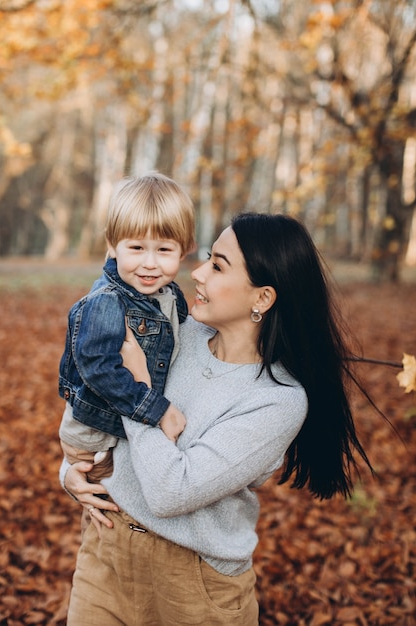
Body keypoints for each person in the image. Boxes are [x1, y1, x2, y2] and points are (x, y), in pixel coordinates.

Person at [61, 212, 373, 626]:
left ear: (262, 298)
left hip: (194, 588)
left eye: (218, 266)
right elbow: (93, 397)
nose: (198, 273)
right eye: (208, 258)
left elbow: (171, 493)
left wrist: (137, 391)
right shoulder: (175, 333)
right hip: (106, 553)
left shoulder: (277, 400)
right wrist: (73, 468)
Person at [59, 171, 196, 486]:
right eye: (136, 248)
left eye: (164, 250)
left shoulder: (170, 294)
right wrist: (156, 409)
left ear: (184, 249)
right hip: (95, 438)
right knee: (106, 513)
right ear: (112, 245)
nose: (150, 263)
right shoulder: (107, 302)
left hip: (124, 428)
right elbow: (98, 369)